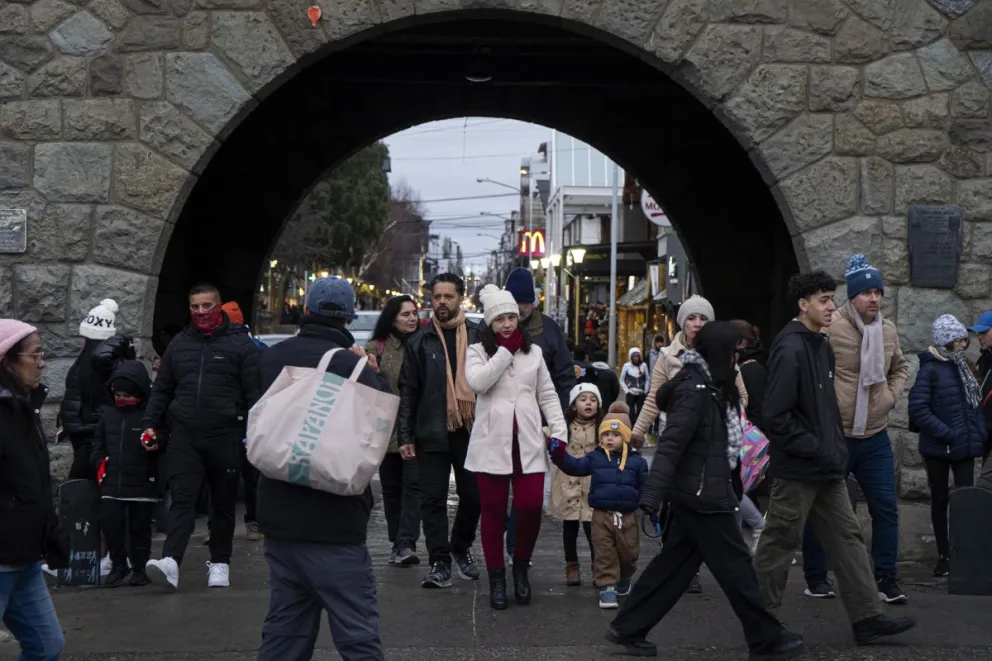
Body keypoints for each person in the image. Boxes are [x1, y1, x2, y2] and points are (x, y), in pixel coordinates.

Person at [606, 322, 803, 660]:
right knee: (738, 570)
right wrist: (651, 496)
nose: (736, 359)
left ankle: (628, 627)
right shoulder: (696, 390)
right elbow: (671, 446)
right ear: (718, 353)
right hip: (703, 498)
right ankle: (765, 638)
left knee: (672, 569)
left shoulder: (709, 384)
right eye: (732, 353)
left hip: (700, 494)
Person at [753, 271, 916, 646]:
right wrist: (817, 446)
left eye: (831, 298)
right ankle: (760, 623)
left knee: (847, 537)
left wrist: (833, 450)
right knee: (779, 541)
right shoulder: (791, 347)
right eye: (824, 300)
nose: (831, 306)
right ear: (803, 304)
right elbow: (777, 415)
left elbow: (825, 408)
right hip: (798, 467)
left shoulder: (818, 345)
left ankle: (867, 618)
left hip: (826, 466)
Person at [254, 276, 388, 661]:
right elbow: (377, 428)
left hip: (279, 514)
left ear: (306, 309)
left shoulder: (271, 357)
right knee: (357, 634)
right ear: (348, 316)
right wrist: (373, 372)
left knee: (285, 631)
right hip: (334, 522)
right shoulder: (354, 366)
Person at [800, 254, 909, 604]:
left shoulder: (888, 331)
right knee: (822, 507)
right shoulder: (831, 327)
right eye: (866, 293)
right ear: (853, 297)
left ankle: (886, 578)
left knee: (885, 508)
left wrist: (890, 397)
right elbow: (811, 369)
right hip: (837, 434)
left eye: (878, 292)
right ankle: (816, 577)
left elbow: (900, 368)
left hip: (874, 434)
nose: (874, 299)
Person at [143, 282, 262, 591]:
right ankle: (171, 561)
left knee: (222, 502)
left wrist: (252, 431)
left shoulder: (241, 346)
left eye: (206, 306)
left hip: (225, 433)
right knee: (181, 497)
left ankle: (220, 563)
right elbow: (163, 389)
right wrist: (150, 423)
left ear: (219, 306)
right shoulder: (179, 345)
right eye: (194, 307)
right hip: (185, 434)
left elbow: (255, 394)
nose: (200, 312)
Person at [631, 295, 748, 593]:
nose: (696, 324)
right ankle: (695, 571)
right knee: (681, 505)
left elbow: (741, 396)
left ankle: (713, 570)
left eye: (702, 319)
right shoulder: (668, 356)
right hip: (681, 440)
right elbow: (653, 398)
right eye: (691, 318)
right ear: (681, 322)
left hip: (716, 447)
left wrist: (724, 416)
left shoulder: (722, 354)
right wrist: (637, 433)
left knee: (713, 508)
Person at [465, 284, 568, 609]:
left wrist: (560, 431)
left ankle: (520, 566)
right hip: (490, 445)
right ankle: (497, 577)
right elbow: (478, 383)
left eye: (511, 317)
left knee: (529, 508)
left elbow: (548, 395)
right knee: (493, 513)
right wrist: (505, 352)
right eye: (500, 320)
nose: (507, 324)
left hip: (527, 443)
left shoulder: (533, 352)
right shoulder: (477, 352)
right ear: (490, 324)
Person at [398, 273, 483, 588]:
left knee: (473, 496)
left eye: (449, 296)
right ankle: (440, 562)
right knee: (431, 500)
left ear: (460, 297)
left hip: (470, 430)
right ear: (430, 300)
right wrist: (404, 436)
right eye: (437, 297)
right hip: (431, 430)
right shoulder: (419, 341)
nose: (442, 302)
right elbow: (409, 391)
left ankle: (460, 545)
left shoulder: (477, 335)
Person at [0, 319, 65, 661]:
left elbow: (33, 481)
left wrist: (48, 532)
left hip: (24, 558)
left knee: (46, 645)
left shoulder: (25, 407)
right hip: (2, 555)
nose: (42, 363)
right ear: (7, 361)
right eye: (35, 355)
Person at [548, 402, 647, 610]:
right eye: (605, 435)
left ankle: (624, 577)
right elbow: (575, 467)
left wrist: (651, 509)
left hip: (627, 517)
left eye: (615, 435)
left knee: (628, 554)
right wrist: (559, 455)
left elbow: (645, 487)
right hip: (601, 515)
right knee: (604, 552)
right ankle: (607, 588)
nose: (609, 439)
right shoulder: (596, 457)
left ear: (626, 437)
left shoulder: (637, 463)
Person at [908, 314, 987, 578]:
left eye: (965, 339)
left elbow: (973, 407)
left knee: (966, 502)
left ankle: (964, 557)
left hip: (964, 449)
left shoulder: (965, 367)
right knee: (940, 501)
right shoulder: (930, 369)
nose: (965, 344)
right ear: (947, 342)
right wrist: (947, 433)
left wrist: (979, 433)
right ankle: (943, 557)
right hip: (938, 450)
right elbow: (918, 409)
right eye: (960, 340)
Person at [90, 360, 161, 588]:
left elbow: (164, 438)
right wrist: (99, 462)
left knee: (140, 529)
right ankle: (119, 565)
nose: (121, 399)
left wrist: (156, 444)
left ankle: (140, 568)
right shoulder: (108, 415)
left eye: (127, 395)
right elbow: (98, 442)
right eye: (117, 394)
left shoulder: (149, 416)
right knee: (111, 525)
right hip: (112, 482)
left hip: (142, 483)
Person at [367, 294, 422, 567]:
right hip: (385, 430)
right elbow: (367, 391)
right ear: (392, 317)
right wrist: (373, 372)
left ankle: (406, 543)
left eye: (414, 313)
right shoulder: (375, 348)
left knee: (413, 487)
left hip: (415, 430)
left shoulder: (425, 343)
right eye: (405, 314)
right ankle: (396, 542)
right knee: (391, 489)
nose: (412, 318)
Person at [60, 298, 127, 480]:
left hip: (87, 435)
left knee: (81, 485)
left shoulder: (83, 364)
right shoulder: (119, 363)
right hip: (101, 433)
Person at [216, 300, 265, 543]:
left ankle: (220, 526)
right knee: (252, 475)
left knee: (223, 475)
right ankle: (254, 522)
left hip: (226, 420)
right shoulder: (259, 347)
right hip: (251, 419)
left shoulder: (217, 346)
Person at [548, 383, 603, 587]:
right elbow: (545, 435)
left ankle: (598, 566)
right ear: (573, 406)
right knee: (569, 527)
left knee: (593, 528)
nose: (588, 403)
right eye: (583, 399)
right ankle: (572, 565)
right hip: (567, 483)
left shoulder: (602, 428)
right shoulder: (563, 427)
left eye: (593, 399)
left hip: (592, 485)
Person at [969, 310, 992, 463]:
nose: (980, 337)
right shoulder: (983, 359)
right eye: (978, 333)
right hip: (986, 431)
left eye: (984, 332)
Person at [620, 348, 648, 423]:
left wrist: (645, 390)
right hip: (630, 392)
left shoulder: (644, 365)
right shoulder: (626, 366)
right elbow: (621, 380)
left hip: (641, 393)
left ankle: (638, 428)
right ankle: (630, 427)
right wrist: (626, 391)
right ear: (631, 357)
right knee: (630, 412)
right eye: (634, 356)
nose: (636, 358)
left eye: (637, 356)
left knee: (640, 412)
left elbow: (647, 379)